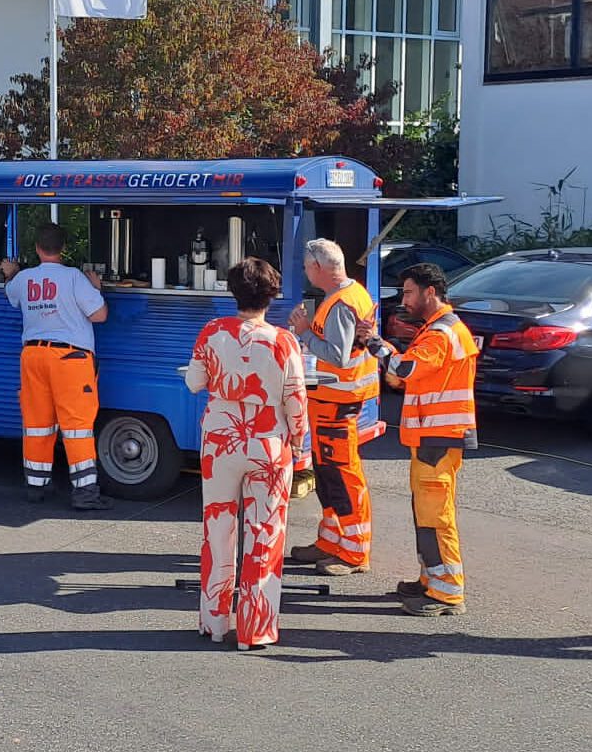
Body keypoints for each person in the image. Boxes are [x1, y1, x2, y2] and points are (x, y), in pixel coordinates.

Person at [185, 257, 308, 649]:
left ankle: (214, 623)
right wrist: (299, 443)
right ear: (272, 295)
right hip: (269, 443)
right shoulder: (283, 341)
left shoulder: (212, 331)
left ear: (232, 291)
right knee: (265, 533)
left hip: (220, 439)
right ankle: (255, 629)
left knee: (217, 529)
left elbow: (193, 383)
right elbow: (296, 401)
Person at [370, 263, 478, 618]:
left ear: (429, 292)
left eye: (408, 292)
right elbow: (408, 377)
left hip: (438, 436)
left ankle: (447, 592)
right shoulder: (436, 330)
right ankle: (432, 579)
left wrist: (377, 346)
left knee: (436, 515)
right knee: (426, 513)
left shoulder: (441, 332)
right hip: (432, 436)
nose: (404, 299)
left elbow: (405, 370)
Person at [2, 222, 111, 510]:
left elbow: (10, 294)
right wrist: (97, 289)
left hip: (32, 356)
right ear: (63, 249)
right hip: (70, 360)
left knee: (37, 423)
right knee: (77, 426)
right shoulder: (74, 277)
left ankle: (36, 486)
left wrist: (11, 273)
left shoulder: (24, 279)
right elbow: (99, 315)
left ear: (37, 248)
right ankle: (85, 493)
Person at [286, 238, 379, 576]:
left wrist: (304, 333)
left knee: (342, 476)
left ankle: (354, 554)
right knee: (327, 475)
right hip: (333, 402)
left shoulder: (341, 303)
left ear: (318, 268)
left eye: (306, 267)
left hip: (338, 403)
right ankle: (330, 541)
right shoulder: (349, 295)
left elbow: (337, 357)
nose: (305, 273)